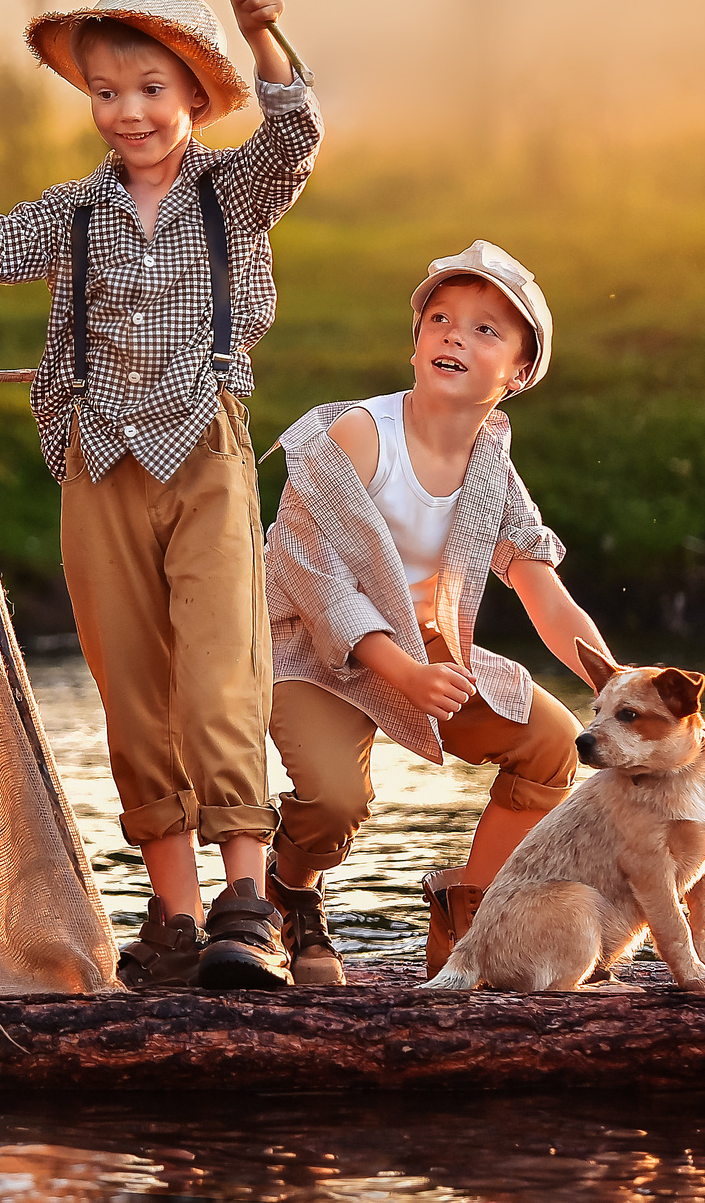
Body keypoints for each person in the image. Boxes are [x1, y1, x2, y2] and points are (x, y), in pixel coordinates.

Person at [0, 0, 320, 990]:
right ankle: (174, 918)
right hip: (97, 458)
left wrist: (263, 33)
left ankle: (246, 906)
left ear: (195, 96)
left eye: (150, 89)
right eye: (105, 92)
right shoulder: (73, 210)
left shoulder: (234, 191)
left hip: (204, 452)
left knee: (219, 676)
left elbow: (296, 136)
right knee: (130, 688)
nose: (127, 112)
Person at [260, 242, 619, 985]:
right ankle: (290, 891)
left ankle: (472, 916)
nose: (455, 335)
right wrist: (405, 673)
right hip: (311, 649)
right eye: (441, 320)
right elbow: (316, 580)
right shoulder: (356, 437)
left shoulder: (492, 465)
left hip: (428, 651)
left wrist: (613, 682)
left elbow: (540, 586)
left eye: (486, 330)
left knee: (553, 745)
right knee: (335, 804)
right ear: (417, 341)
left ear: (518, 372)